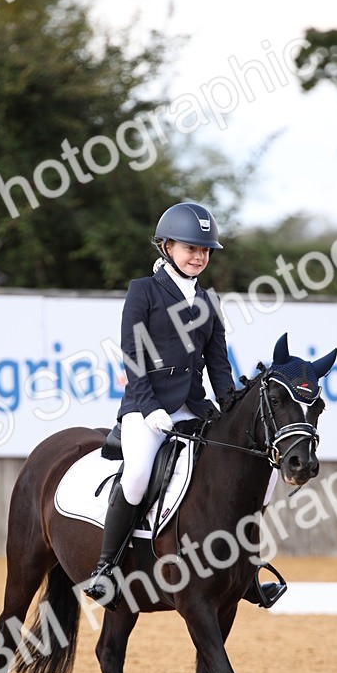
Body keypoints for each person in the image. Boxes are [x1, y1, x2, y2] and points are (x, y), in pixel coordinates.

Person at [83, 201, 235, 602]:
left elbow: (219, 365)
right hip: (144, 407)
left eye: (205, 251)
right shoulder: (144, 291)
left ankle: (242, 570)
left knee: (235, 467)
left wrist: (230, 407)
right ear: (166, 246)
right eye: (191, 248)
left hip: (194, 409)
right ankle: (105, 566)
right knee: (136, 474)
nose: (199, 256)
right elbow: (133, 354)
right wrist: (150, 408)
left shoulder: (209, 303)